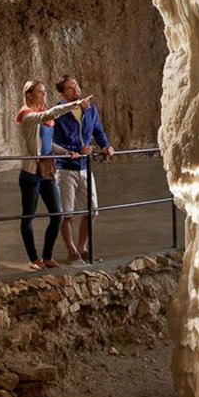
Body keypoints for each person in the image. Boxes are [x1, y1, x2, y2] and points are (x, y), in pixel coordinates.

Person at [16, 80, 85, 270]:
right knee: (28, 216)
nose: (44, 95)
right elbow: (51, 113)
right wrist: (74, 104)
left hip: (46, 171)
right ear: (30, 94)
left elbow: (48, 144)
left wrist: (65, 151)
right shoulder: (28, 115)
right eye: (40, 92)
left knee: (57, 214)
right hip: (31, 172)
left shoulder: (40, 115)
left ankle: (47, 256)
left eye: (44, 91)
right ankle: (33, 258)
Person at [52, 75, 114, 262]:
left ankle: (82, 248)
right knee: (66, 213)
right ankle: (72, 251)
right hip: (65, 168)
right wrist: (76, 150)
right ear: (62, 93)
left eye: (76, 85)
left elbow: (97, 129)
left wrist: (106, 145)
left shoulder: (89, 108)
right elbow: (54, 141)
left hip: (85, 166)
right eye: (70, 88)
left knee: (92, 209)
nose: (76, 89)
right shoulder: (58, 113)